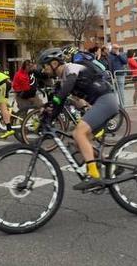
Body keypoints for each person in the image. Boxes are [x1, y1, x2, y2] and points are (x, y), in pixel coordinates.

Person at [37, 47, 119, 191]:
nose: (43, 70)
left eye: (44, 66)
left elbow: (66, 89)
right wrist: (47, 118)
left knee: (78, 133)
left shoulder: (71, 68)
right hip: (100, 103)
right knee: (78, 142)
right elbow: (58, 104)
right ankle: (111, 164)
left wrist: (56, 99)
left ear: (54, 64)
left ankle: (94, 175)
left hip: (106, 100)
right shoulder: (62, 80)